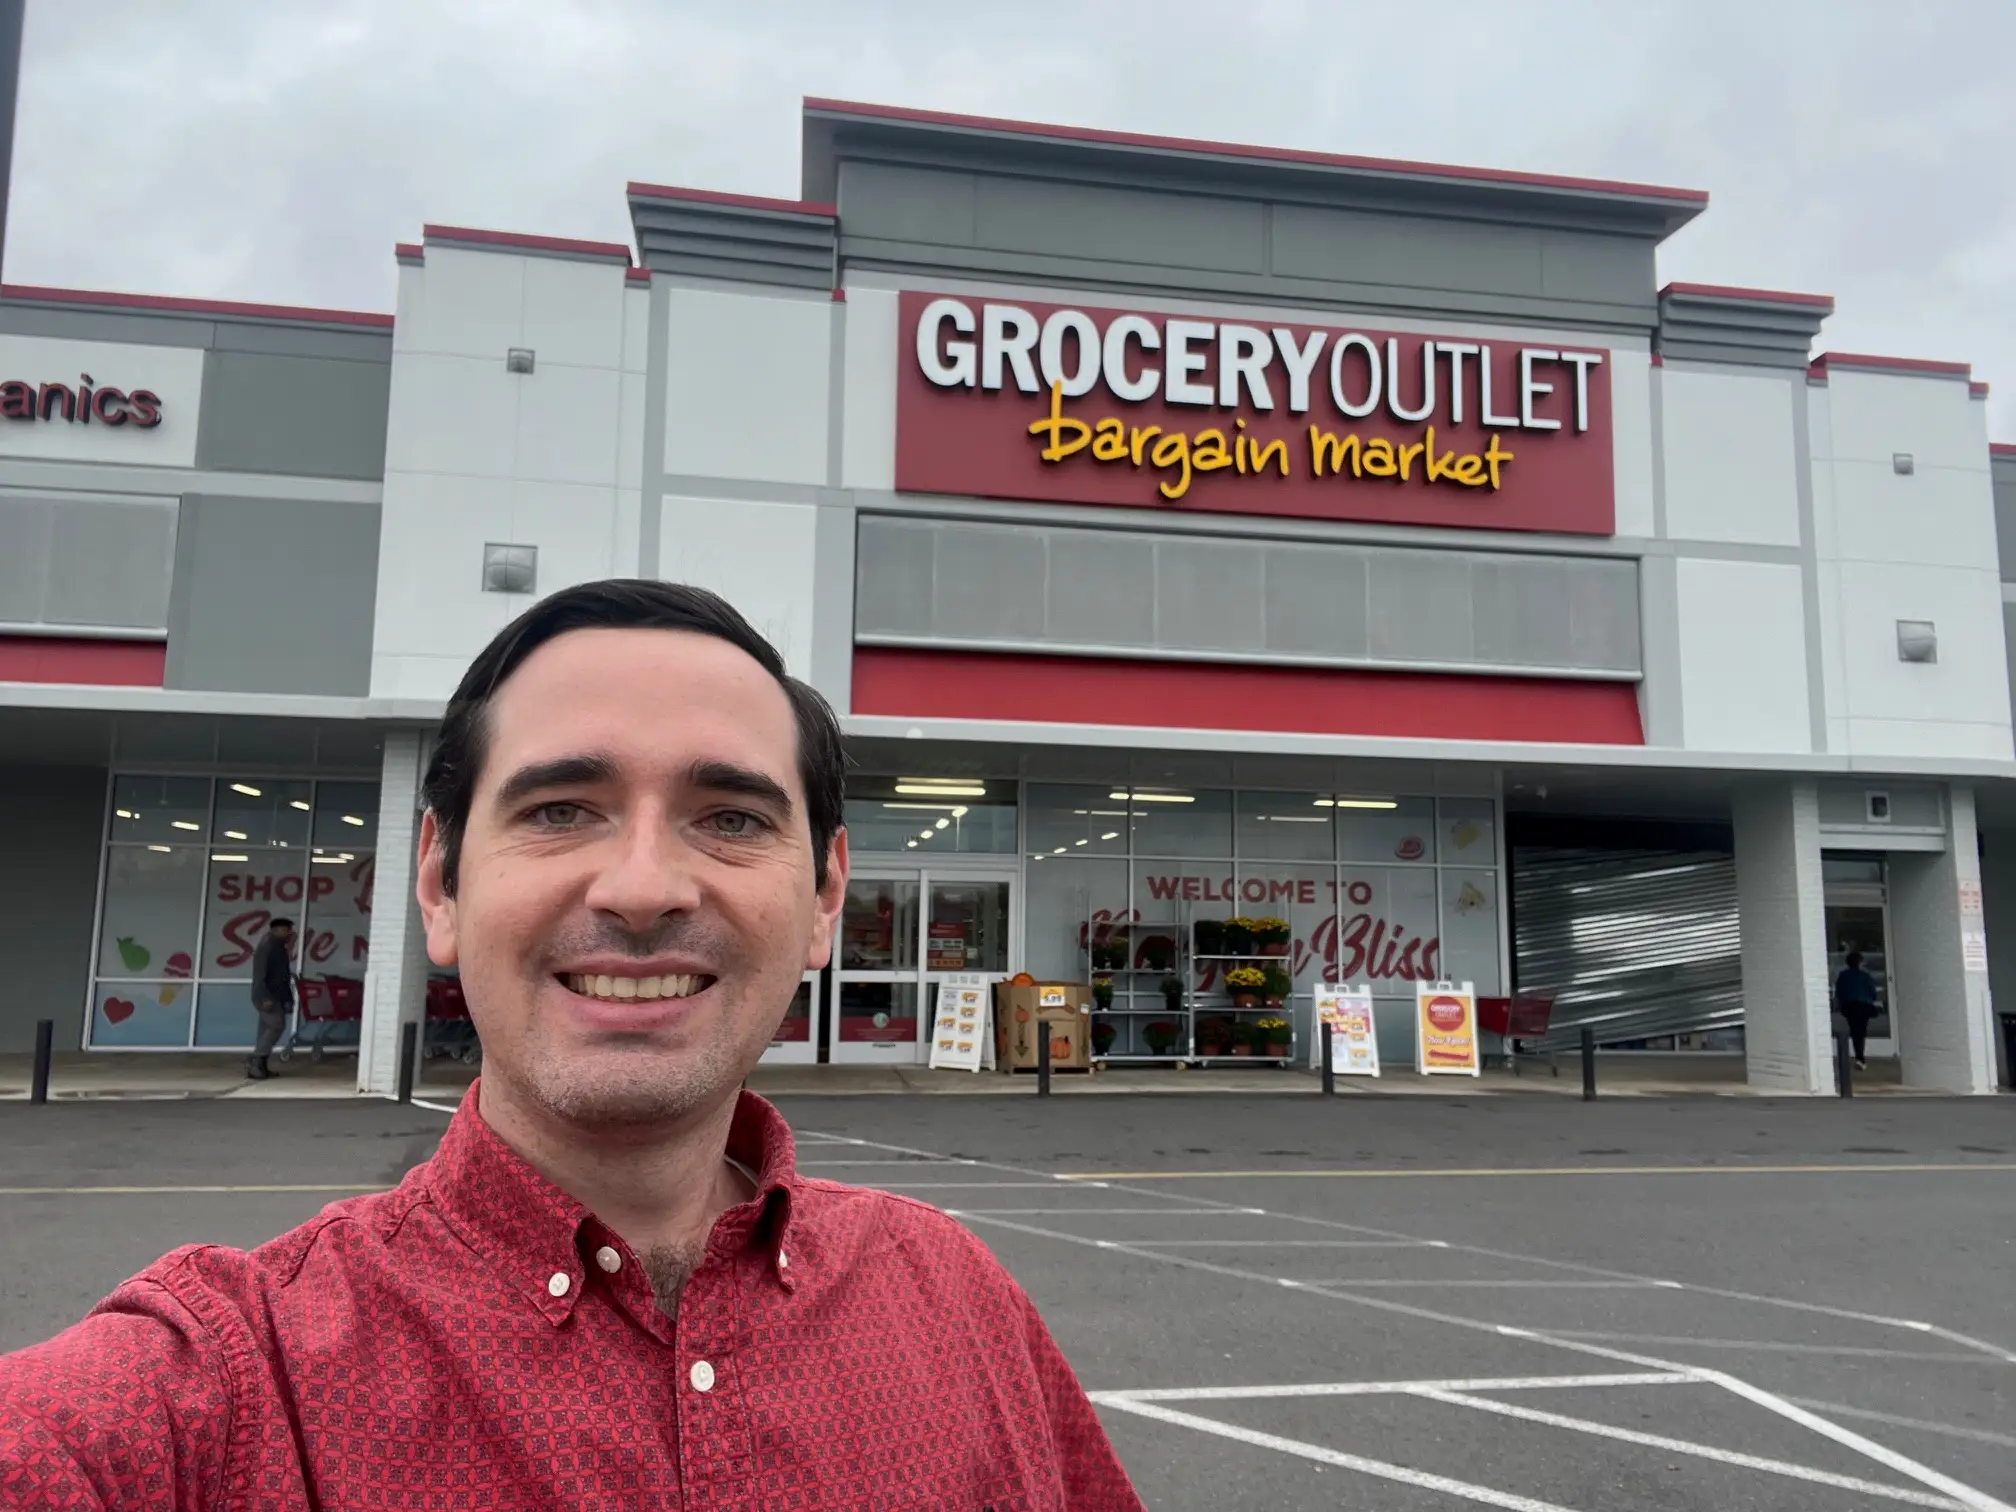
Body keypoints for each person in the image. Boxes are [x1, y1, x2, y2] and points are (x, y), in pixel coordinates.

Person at [0, 580, 1143, 1510]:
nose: (643, 889)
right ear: (441, 883)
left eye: (731, 819)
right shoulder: (234, 1390)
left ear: (825, 898)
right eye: (560, 810)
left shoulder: (957, 1303)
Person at [246, 915, 296, 1079]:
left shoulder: (279, 947)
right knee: (277, 1025)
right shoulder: (267, 947)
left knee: (265, 1030)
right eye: (286, 930)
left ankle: (260, 1066)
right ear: (276, 930)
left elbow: (283, 975)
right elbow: (260, 974)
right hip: (268, 996)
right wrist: (263, 997)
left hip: (276, 995)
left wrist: (288, 998)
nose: (289, 932)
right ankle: (256, 1059)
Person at [1834, 949, 1880, 1070]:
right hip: (1863, 1006)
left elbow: (1839, 992)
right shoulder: (1865, 976)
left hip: (1849, 1006)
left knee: (1855, 1030)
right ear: (1860, 962)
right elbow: (1873, 994)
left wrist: (1839, 1005)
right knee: (1861, 1031)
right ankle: (1860, 1058)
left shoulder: (1843, 975)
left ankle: (1859, 1057)